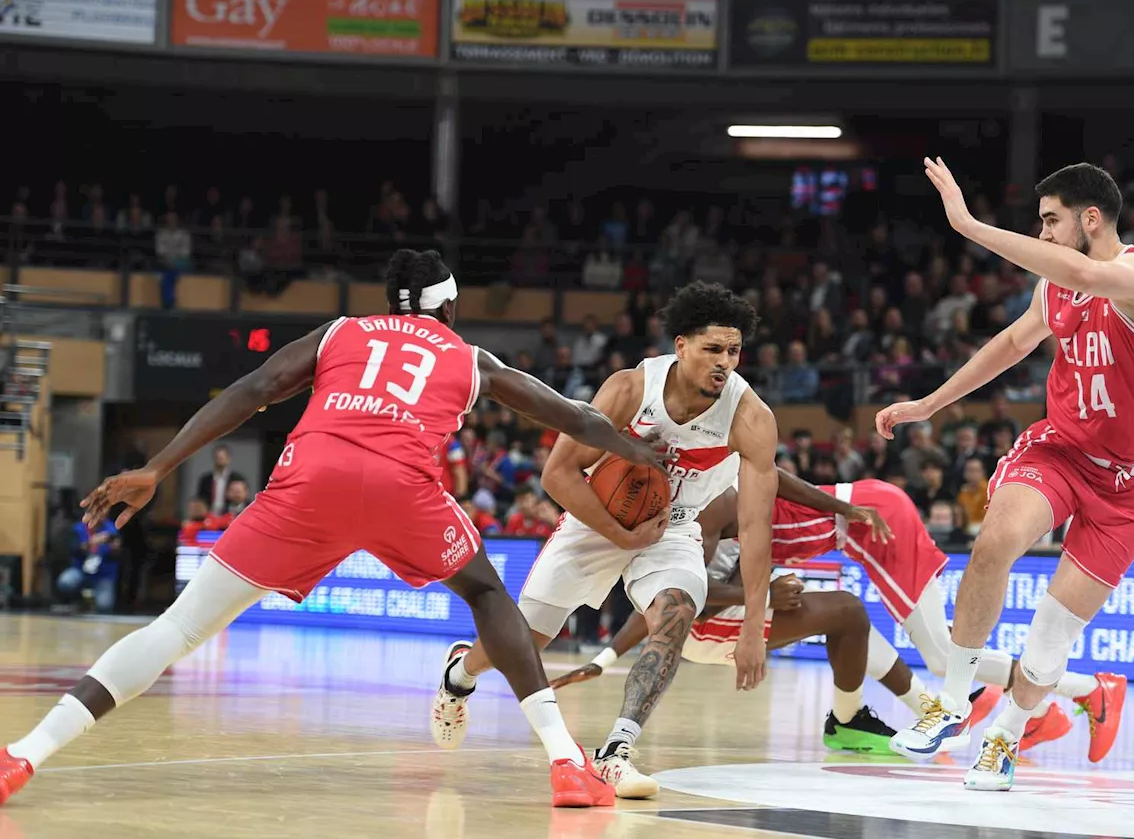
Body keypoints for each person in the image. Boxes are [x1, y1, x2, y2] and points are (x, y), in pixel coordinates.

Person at [0, 249, 665, 809]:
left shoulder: (340, 331)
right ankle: (564, 763)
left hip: (308, 478)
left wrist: (157, 465)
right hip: (400, 489)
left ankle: (23, 754)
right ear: (450, 309)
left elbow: (253, 387)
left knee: (174, 629)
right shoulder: (470, 358)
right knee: (488, 594)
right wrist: (640, 452)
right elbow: (574, 417)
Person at [877, 160, 1134, 791]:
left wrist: (966, 224)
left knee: (1050, 633)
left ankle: (1006, 737)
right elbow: (1013, 343)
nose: (1043, 234)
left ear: (1090, 218)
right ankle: (953, 698)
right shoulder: (1058, 288)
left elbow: (1083, 270)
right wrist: (928, 404)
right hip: (1064, 450)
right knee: (994, 541)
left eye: (1051, 220)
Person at [431, 282, 779, 799]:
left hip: (673, 527)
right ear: (681, 345)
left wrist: (754, 625)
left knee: (675, 614)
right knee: (525, 643)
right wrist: (620, 532)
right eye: (712, 349)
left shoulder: (751, 417)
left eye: (732, 351)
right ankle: (460, 675)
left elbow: (754, 526)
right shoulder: (629, 389)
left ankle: (616, 752)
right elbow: (558, 475)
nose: (724, 362)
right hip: (596, 519)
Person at [550, 471, 905, 754]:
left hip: (725, 609)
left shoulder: (746, 485)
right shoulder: (715, 504)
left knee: (848, 617)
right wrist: (763, 596)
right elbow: (682, 603)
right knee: (849, 610)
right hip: (702, 628)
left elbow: (785, 481)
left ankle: (849, 720)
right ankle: (848, 722)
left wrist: (844, 508)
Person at [196, 444, 244, 515]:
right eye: (217, 458)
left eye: (222, 458)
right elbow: (201, 498)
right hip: (209, 514)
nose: (219, 461)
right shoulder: (205, 479)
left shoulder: (236, 478)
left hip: (230, 513)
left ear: (228, 459)